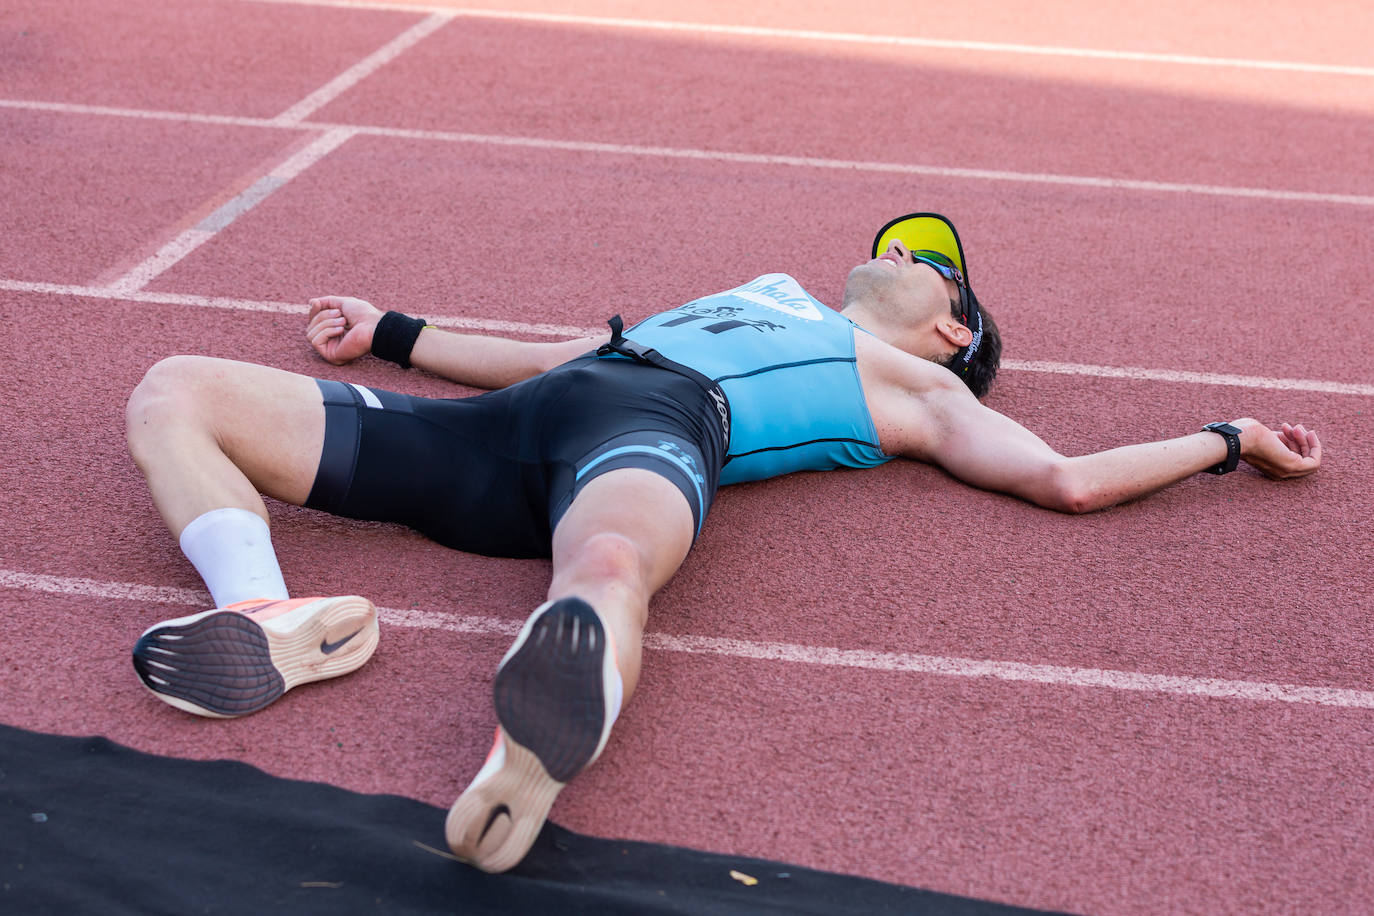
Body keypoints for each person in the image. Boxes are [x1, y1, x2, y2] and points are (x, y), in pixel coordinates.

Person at [124, 212, 1322, 873]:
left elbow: (1069, 479)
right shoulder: (758, 288)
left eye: (931, 263)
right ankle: (272, 614)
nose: (902, 251)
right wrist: (391, 328)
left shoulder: (920, 391)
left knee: (604, 570)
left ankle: (524, 762)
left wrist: (1227, 438)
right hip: (507, 431)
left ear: (954, 328)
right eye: (903, 241)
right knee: (179, 387)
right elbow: (556, 355)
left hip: (654, 436)